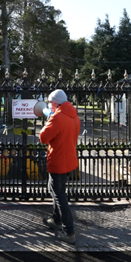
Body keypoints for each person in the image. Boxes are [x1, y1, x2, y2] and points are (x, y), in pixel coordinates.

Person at [39, 89, 80, 244]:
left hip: (57, 160)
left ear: (55, 103)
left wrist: (49, 119)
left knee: (59, 195)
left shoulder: (56, 118)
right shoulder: (74, 116)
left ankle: (69, 231)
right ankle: (56, 220)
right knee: (55, 189)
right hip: (68, 159)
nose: (50, 105)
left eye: (51, 102)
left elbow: (43, 138)